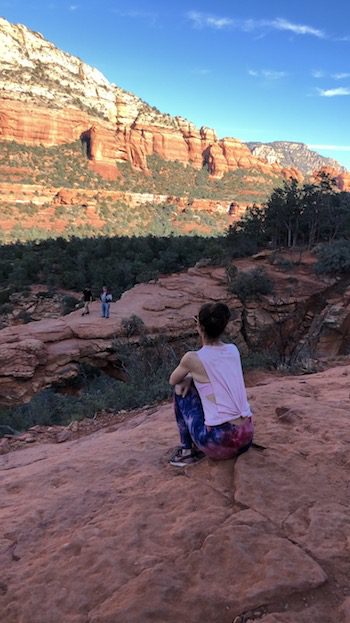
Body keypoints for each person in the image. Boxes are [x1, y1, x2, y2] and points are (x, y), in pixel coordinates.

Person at [169, 302, 253, 467]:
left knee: (179, 388)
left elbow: (173, 379)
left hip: (220, 443)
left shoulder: (192, 358)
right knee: (198, 385)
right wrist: (193, 378)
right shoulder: (233, 350)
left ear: (199, 327)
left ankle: (187, 452)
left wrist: (189, 377)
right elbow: (216, 375)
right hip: (246, 437)